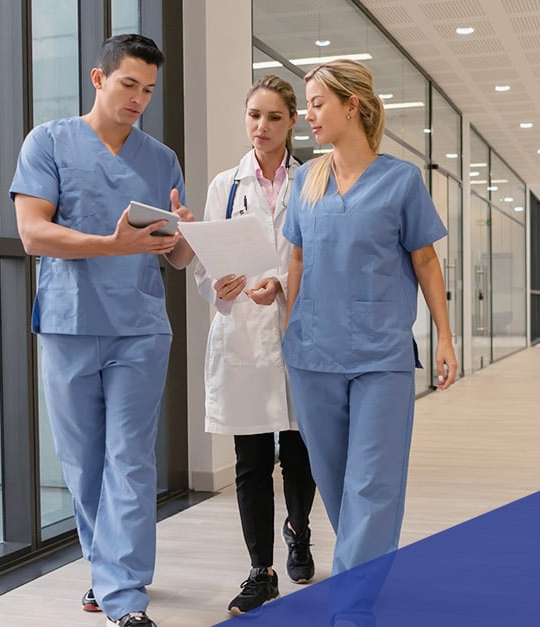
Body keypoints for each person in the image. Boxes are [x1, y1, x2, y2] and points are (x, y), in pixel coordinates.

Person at [10, 34, 193, 627]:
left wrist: (186, 235)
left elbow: (178, 259)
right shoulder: (48, 142)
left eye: (148, 89)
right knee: (84, 462)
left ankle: (124, 595)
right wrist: (111, 245)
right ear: (98, 78)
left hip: (139, 326)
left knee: (131, 458)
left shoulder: (161, 159)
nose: (139, 98)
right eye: (128, 85)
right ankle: (105, 565)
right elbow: (34, 235)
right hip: (69, 322)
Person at [281, 57, 458, 619]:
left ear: (350, 106)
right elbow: (298, 258)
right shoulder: (306, 181)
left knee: (373, 484)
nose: (307, 115)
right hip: (312, 355)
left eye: (316, 103)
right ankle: (363, 575)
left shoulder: (401, 181)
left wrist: (445, 340)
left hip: (381, 354)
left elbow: (426, 261)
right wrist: (288, 329)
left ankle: (351, 607)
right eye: (307, 105)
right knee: (336, 485)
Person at [193, 75, 318, 615]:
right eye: (252, 117)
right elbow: (205, 260)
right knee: (249, 460)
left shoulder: (313, 180)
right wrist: (218, 288)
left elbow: (319, 252)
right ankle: (259, 571)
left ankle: (298, 528)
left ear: (292, 121)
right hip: (242, 331)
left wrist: (283, 286)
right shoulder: (226, 184)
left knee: (298, 453)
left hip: (295, 329)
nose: (260, 127)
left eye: (272, 117)